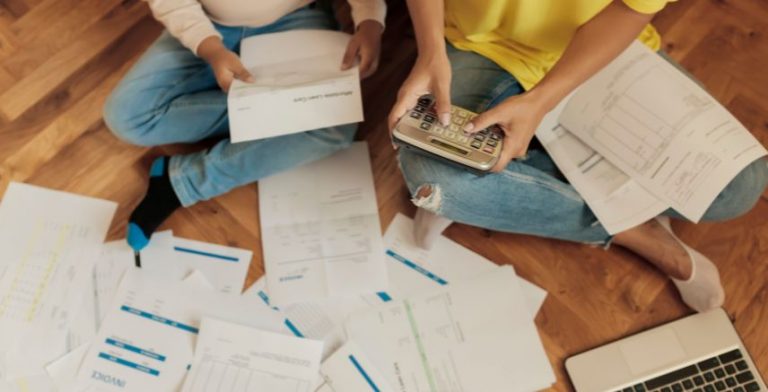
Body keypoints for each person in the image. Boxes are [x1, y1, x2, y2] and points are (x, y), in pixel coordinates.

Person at [388, 0, 768, 312]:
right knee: (435, 183)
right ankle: (632, 230)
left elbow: (633, 9)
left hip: (595, 50)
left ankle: (523, 186)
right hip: (480, 45)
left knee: (741, 187)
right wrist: (430, 51)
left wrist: (542, 100)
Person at [103, 0, 385, 251]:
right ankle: (278, 110)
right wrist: (209, 47)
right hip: (205, 23)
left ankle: (184, 181)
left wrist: (370, 19)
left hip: (297, 19)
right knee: (125, 116)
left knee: (336, 122)